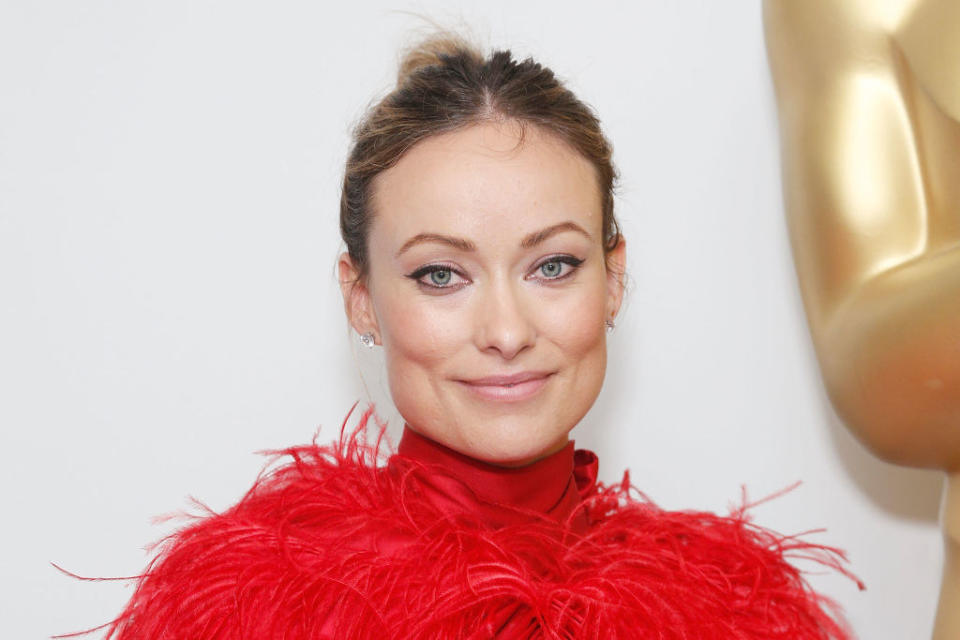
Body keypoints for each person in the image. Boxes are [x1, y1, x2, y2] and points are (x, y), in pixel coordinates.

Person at [92, 35, 860, 639]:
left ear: (615, 278)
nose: (505, 332)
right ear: (361, 300)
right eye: (440, 275)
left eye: (553, 265)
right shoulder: (243, 609)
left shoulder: (735, 609)